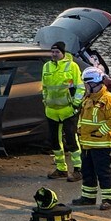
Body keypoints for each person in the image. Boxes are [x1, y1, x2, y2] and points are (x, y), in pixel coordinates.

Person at [72, 67, 111, 210]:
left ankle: (108, 200)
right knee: (87, 171)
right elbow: (84, 118)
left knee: (103, 172)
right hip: (87, 143)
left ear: (93, 83)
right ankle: (88, 197)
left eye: (86, 84)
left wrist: (100, 132)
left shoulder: (107, 99)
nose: (85, 86)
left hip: (101, 144)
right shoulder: (88, 98)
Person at [42, 40, 84, 182]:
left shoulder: (72, 66)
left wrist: (76, 104)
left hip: (68, 110)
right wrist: (45, 101)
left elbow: (80, 86)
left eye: (57, 52)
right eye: (52, 52)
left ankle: (78, 169)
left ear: (63, 53)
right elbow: (45, 88)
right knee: (55, 141)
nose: (54, 54)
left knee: (72, 140)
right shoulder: (47, 66)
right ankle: (61, 169)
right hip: (52, 111)